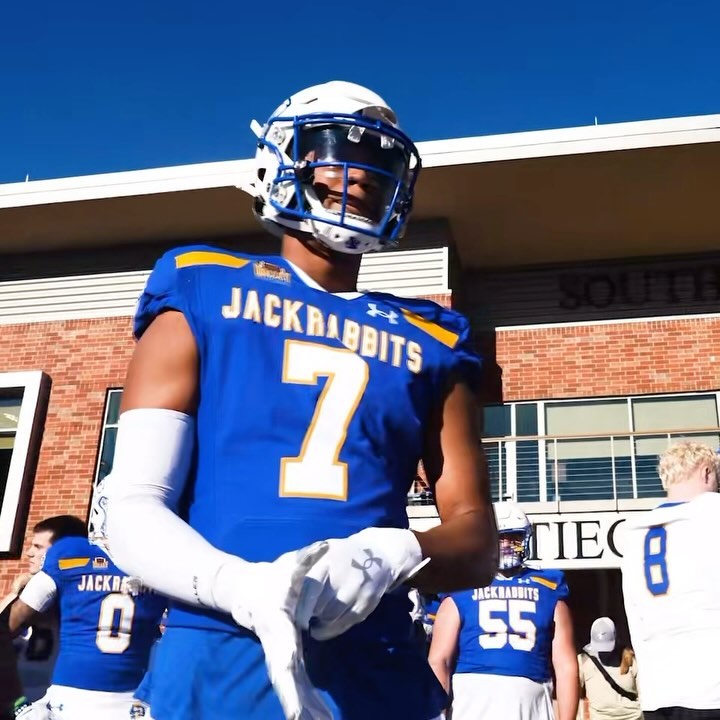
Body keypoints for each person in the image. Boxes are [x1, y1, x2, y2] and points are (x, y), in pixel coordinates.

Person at [104, 79, 498, 720]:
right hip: (219, 646)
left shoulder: (433, 337)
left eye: (380, 161)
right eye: (341, 150)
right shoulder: (203, 285)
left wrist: (395, 554)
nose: (361, 173)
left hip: (375, 657)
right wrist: (243, 588)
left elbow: (477, 539)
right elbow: (129, 506)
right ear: (281, 162)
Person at [5, 484, 166, 719]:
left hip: (68, 698)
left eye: (39, 547)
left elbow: (9, 625)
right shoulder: (157, 563)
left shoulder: (69, 562)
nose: (30, 553)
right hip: (130, 700)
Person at [428, 501, 579, 720]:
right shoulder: (461, 586)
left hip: (529, 695)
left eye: (514, 537)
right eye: (500, 538)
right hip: (474, 695)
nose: (507, 545)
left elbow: (566, 666)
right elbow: (439, 659)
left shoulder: (548, 587)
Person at [621, 440, 720, 720]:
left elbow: (633, 612)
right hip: (712, 685)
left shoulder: (634, 533)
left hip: (659, 688)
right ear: (706, 472)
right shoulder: (713, 512)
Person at [0, 515, 88, 706]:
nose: (29, 553)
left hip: (44, 701)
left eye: (38, 547)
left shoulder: (60, 592)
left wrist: (25, 589)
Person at [577, 617, 642, 720]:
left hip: (633, 717)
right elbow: (573, 693)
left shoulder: (630, 659)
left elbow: (643, 693)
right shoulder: (584, 661)